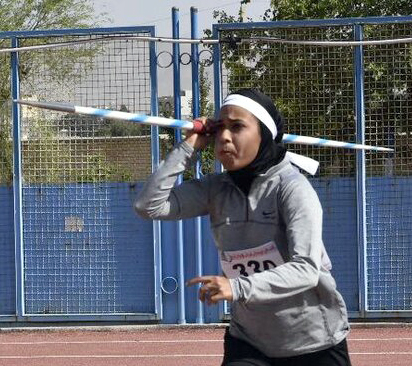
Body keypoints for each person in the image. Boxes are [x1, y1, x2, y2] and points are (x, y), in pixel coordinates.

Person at [134, 88, 352, 366]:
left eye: (237, 127)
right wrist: (188, 147)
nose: (224, 137)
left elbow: (307, 269)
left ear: (263, 134)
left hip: (313, 342)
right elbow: (148, 206)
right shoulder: (216, 189)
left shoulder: (293, 188)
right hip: (249, 341)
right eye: (220, 128)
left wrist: (237, 287)